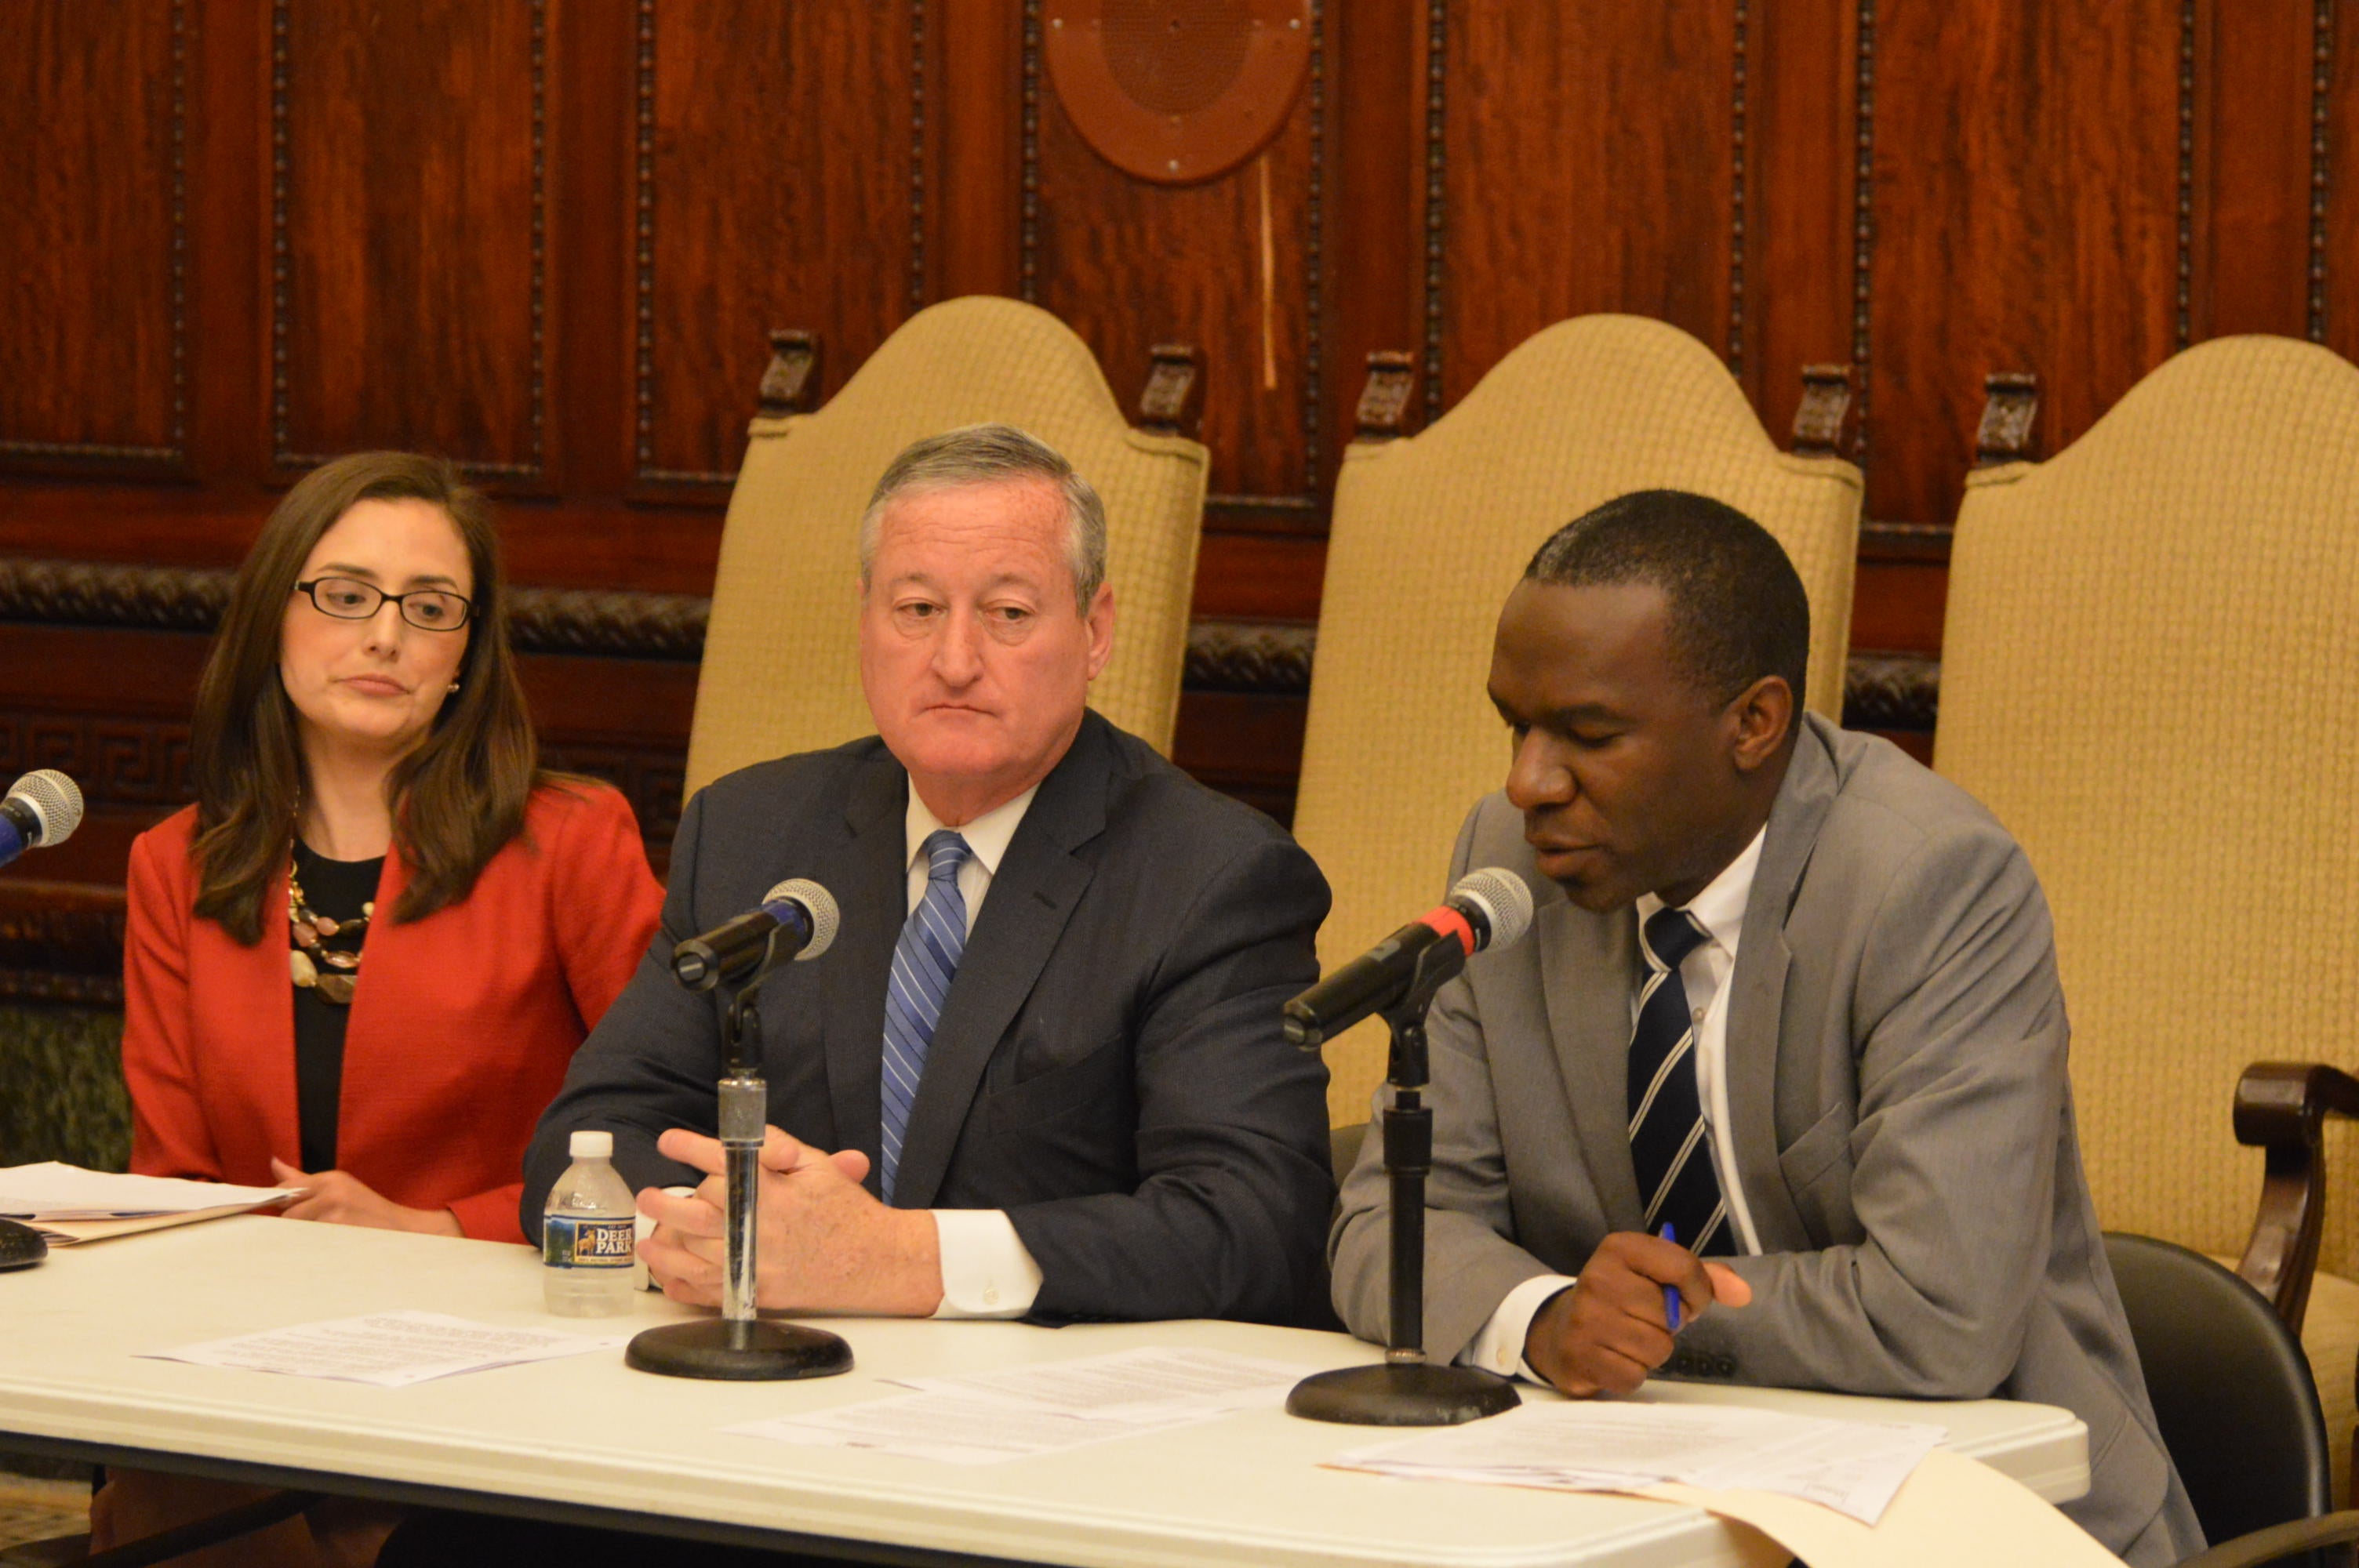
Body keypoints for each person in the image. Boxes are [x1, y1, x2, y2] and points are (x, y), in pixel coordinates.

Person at [1329, 490, 2201, 1563]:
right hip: (1628, 1509)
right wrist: (1549, 1318)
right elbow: (1392, 1229)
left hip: (1965, 1508)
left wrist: (1650, 1321)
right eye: (1517, 726)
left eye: (1589, 735)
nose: (1529, 783)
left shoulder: (1928, 884)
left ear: (1755, 723)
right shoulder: (1510, 861)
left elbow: (1940, 1313)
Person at [523, 423, 1335, 1328]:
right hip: (761, 1377)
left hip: (1042, 1418)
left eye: (1008, 614)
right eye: (916, 610)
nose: (953, 660)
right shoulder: (750, 833)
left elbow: (1252, 1221)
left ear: (1095, 630)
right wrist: (728, 1237)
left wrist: (902, 1260)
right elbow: (584, 1142)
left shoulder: (1210, 878)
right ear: (865, 617)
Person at [100, 451, 664, 1566]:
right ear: (276, 617)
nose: (385, 636)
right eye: (345, 595)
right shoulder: (176, 865)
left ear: (467, 651)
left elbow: (669, 1141)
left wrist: (440, 1228)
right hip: (246, 1374)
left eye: (429, 607)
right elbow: (167, 1183)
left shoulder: (570, 844)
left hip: (505, 1372)